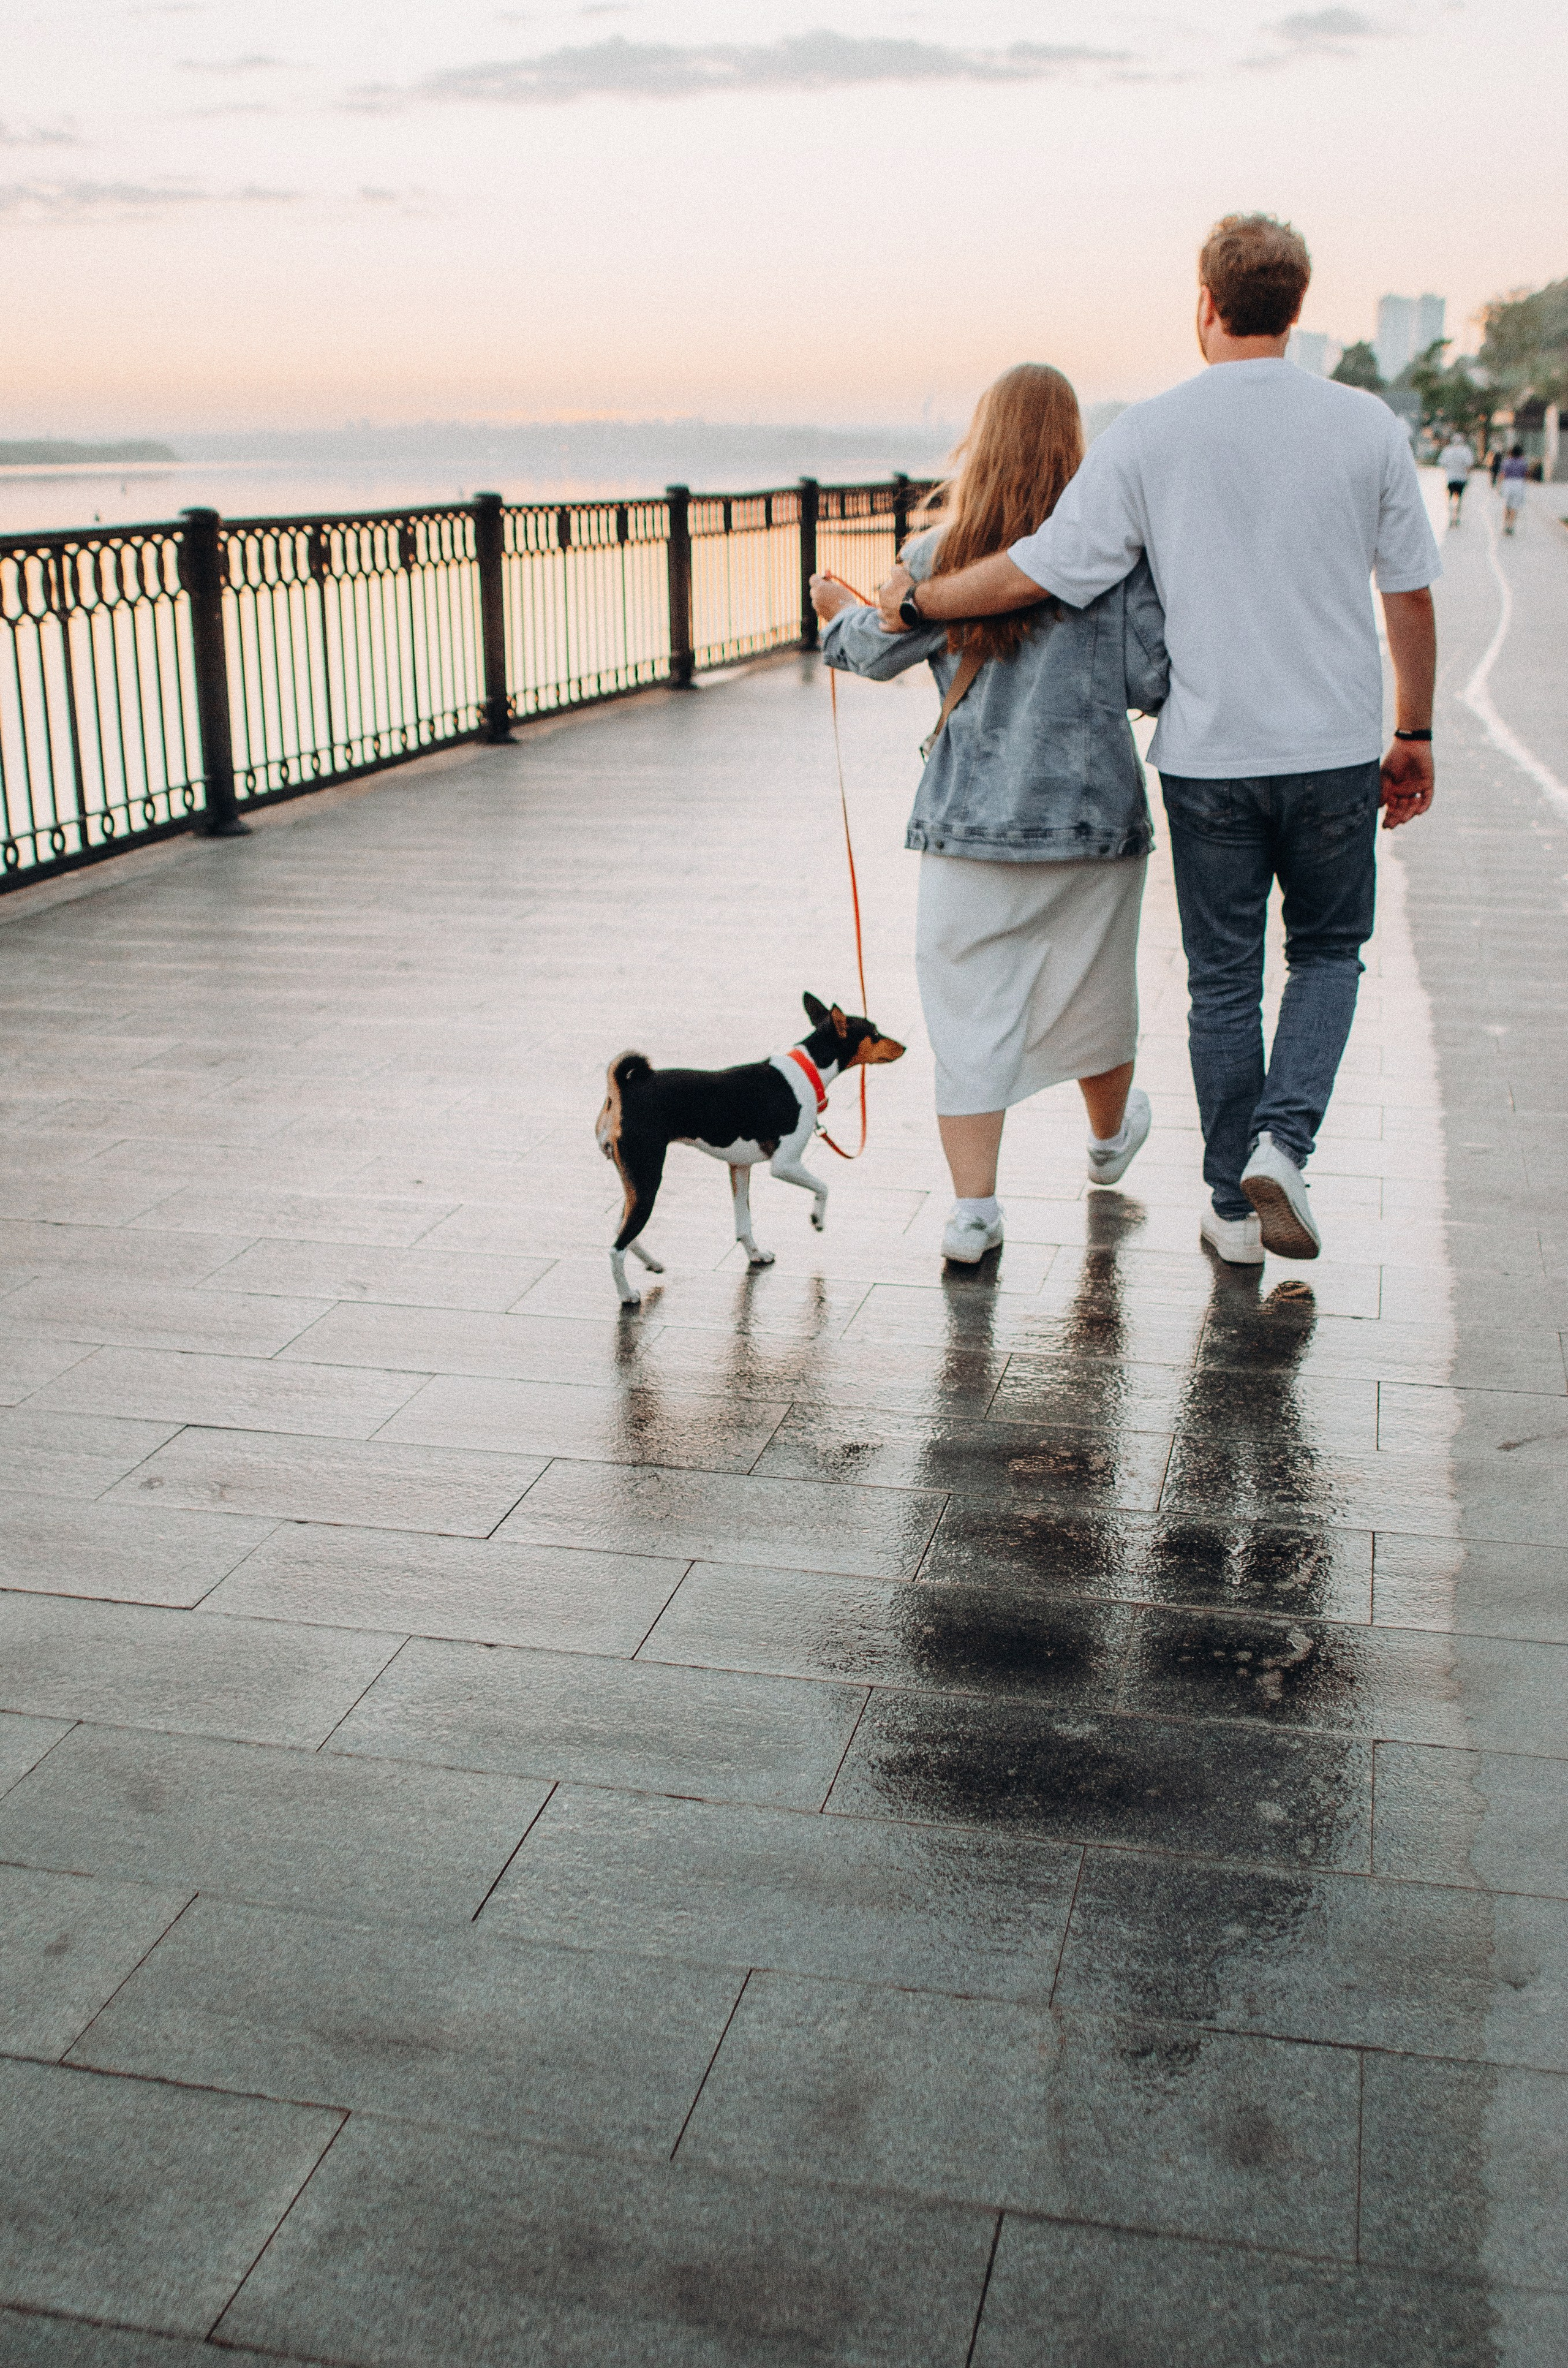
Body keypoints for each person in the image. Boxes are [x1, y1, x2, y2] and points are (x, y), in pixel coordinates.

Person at [874, 214, 1441, 1267]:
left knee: (1222, 978)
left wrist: (919, 606)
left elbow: (1042, 568)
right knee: (1326, 952)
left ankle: (1231, 1208)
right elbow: (1407, 594)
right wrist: (1413, 730)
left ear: (1205, 303)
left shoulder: (1150, 431)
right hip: (1331, 749)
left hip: (1208, 757)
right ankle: (1284, 1140)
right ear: (1295, 307)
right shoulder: (1367, 428)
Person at [810, 364, 1169, 1266]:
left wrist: (832, 612)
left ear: (983, 441)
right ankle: (1108, 1138)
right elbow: (1152, 676)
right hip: (1093, 823)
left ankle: (974, 1213)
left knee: (970, 1016)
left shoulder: (942, 555)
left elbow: (868, 651)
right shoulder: (1112, 553)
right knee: (1096, 992)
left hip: (972, 826)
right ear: (1074, 446)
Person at [1439, 430, 1476, 521]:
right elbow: (1470, 464)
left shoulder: (1447, 450)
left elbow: (1442, 462)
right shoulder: (1466, 451)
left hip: (1451, 478)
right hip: (1462, 478)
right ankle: (1457, 516)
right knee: (1459, 498)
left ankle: (1451, 516)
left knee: (1450, 497)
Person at [1501, 443, 1529, 534]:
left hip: (1508, 483)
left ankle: (1505, 525)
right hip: (1519, 484)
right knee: (1514, 506)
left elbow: (1503, 474)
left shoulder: (1507, 461)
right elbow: (1526, 474)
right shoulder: (1523, 462)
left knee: (1507, 506)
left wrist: (1499, 486)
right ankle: (1511, 526)